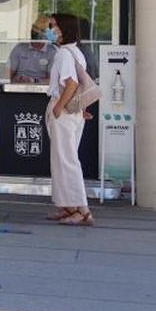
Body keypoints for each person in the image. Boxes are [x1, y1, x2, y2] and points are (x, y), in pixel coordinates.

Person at [45, 13, 94, 226]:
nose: (50, 29)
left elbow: (72, 83)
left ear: (64, 29)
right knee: (63, 160)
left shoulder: (65, 53)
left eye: (53, 26)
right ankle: (68, 206)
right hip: (72, 112)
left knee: (66, 161)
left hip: (63, 112)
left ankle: (81, 210)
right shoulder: (75, 52)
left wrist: (58, 107)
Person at [7, 15, 57, 84]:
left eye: (39, 32)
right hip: (18, 87)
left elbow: (52, 80)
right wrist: (15, 80)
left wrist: (34, 81)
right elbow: (8, 74)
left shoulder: (52, 52)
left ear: (45, 35)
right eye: (34, 31)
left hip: (39, 90)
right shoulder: (20, 47)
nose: (35, 34)